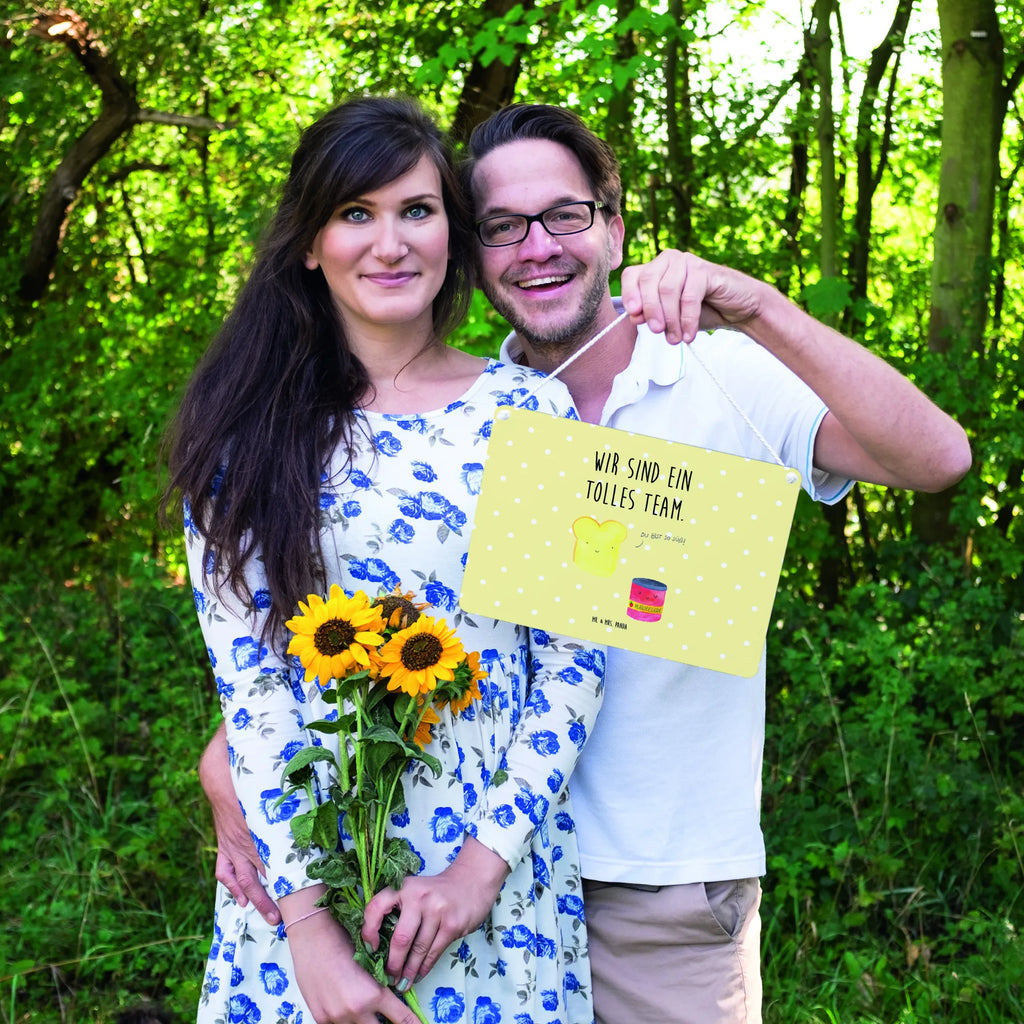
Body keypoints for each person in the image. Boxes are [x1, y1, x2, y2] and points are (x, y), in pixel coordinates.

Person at [202, 102, 972, 1024]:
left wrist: (760, 306)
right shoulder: (455, 415)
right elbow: (326, 635)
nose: (536, 247)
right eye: (502, 227)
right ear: (474, 251)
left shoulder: (710, 373)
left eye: (565, 215)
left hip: (654, 886)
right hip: (427, 876)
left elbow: (938, 461)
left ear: (612, 226)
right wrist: (235, 770)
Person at [165, 96, 608, 1024]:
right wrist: (312, 937)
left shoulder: (531, 414)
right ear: (308, 243)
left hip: (492, 888)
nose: (390, 242)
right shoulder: (244, 438)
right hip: (303, 888)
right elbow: (253, 692)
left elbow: (573, 664)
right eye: (355, 214)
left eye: (417, 210)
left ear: (452, 228)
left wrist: (477, 873)